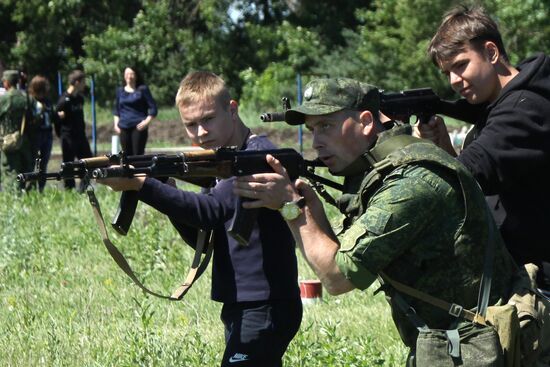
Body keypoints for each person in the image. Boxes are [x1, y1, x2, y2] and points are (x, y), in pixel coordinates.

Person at [233, 77, 521, 364]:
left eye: (326, 126)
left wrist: (291, 207)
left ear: (366, 121)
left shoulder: (411, 182)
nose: (316, 142)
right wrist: (310, 208)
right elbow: (342, 256)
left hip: (485, 346)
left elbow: (337, 277)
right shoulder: (386, 166)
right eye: (311, 130)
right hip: (456, 342)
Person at [97, 71, 302, 367]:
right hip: (241, 303)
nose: (200, 132)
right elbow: (203, 235)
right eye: (190, 124)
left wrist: (142, 185)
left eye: (207, 119)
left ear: (232, 110)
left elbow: (209, 212)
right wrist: (164, 184)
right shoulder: (222, 161)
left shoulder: (258, 157)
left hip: (266, 303)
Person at [414, 5, 550, 291]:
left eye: (461, 65)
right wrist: (443, 149)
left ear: (491, 52)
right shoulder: (498, 105)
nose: (453, 81)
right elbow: (486, 183)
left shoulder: (525, 109)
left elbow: (472, 172)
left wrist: (409, 148)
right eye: (447, 72)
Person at [55, 70, 93, 190]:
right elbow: (56, 120)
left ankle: (83, 188)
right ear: (77, 82)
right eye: (83, 82)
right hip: (68, 136)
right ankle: (69, 190)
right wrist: (60, 135)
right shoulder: (63, 100)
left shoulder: (79, 99)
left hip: (80, 136)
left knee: (89, 162)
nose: (84, 85)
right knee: (69, 164)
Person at [0, 70, 33, 192]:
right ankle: (28, 195)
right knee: (25, 169)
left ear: (6, 83)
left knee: (10, 170)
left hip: (9, 141)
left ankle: (14, 197)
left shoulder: (4, 99)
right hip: (25, 140)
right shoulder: (27, 98)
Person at [112, 67, 157, 155]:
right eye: (127, 74)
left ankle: (139, 169)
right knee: (126, 155)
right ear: (124, 76)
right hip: (123, 126)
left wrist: (146, 122)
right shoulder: (120, 91)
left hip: (138, 126)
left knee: (137, 154)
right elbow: (116, 110)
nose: (129, 76)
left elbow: (153, 108)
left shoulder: (143, 90)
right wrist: (116, 124)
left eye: (131, 74)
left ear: (136, 76)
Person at [28, 75, 56, 192]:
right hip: (36, 135)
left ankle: (40, 188)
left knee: (44, 164)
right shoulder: (31, 102)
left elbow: (52, 117)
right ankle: (30, 187)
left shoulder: (48, 102)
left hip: (47, 135)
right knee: (33, 163)